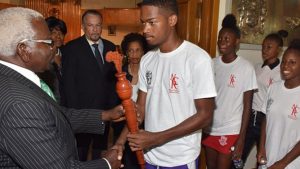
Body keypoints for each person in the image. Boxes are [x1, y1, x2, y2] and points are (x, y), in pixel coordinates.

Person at [0, 7, 124, 169]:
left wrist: (106, 115)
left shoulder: (13, 79)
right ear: (24, 50)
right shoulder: (20, 104)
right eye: (48, 42)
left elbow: (53, 115)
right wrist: (107, 164)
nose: (54, 48)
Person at [116, 0, 217, 168]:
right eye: (143, 23)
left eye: (152, 22)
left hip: (180, 158)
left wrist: (156, 138)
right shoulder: (148, 59)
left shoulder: (197, 58)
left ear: (172, 20)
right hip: (150, 155)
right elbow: (141, 110)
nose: (145, 29)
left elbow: (205, 116)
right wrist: (120, 141)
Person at [61, 9, 120, 160]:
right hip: (82, 112)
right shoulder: (71, 48)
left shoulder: (110, 46)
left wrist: (113, 106)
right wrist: (74, 114)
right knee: (80, 154)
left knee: (100, 153)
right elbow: (68, 84)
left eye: (98, 25)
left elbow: (114, 79)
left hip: (105, 111)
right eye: (90, 25)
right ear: (83, 26)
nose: (95, 29)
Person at [202, 14, 257, 169]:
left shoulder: (246, 67)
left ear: (236, 41)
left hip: (231, 129)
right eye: (220, 39)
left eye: (227, 39)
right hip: (210, 127)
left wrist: (241, 139)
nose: (222, 42)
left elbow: (247, 106)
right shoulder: (211, 63)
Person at [241, 31, 287, 166]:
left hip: (265, 120)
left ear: (278, 50)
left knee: (261, 158)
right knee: (239, 155)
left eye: (269, 47)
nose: (264, 50)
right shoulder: (256, 68)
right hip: (251, 117)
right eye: (263, 46)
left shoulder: (282, 72)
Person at [257, 39, 300, 169]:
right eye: (284, 62)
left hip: (291, 163)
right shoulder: (273, 88)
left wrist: (282, 163)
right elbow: (266, 118)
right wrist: (261, 147)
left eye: (292, 62)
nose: (285, 66)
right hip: (268, 158)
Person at [38, 16, 67, 103]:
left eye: (61, 33)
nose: (58, 36)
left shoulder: (68, 53)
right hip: (48, 102)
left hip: (67, 103)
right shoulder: (40, 57)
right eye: (54, 32)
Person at [121, 32, 148, 101]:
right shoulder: (121, 73)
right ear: (127, 53)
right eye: (131, 51)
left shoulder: (148, 72)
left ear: (143, 52)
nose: (134, 54)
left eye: (138, 50)